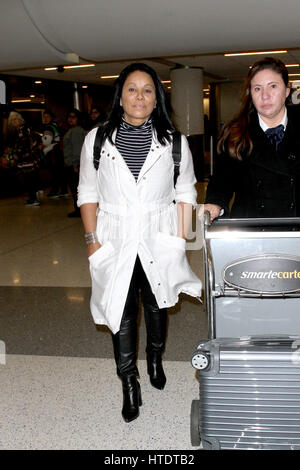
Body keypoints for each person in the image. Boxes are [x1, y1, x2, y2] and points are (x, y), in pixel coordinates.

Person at [77, 62, 202, 422]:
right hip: (113, 236)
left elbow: (185, 192)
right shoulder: (97, 139)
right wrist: (91, 241)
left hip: (158, 233)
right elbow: (87, 191)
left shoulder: (174, 142)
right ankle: (129, 380)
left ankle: (156, 355)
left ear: (156, 98)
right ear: (120, 96)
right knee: (121, 308)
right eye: (132, 89)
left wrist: (179, 240)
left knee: (157, 303)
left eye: (148, 90)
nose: (139, 97)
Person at [203, 57, 300, 220]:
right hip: (252, 231)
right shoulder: (235, 133)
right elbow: (221, 181)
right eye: (257, 89)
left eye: (273, 86)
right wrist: (215, 203)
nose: (265, 96)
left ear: (287, 91)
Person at [7, 111, 42, 206]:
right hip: (27, 159)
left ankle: (33, 199)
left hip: (27, 159)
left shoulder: (23, 130)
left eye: (16, 119)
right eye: (12, 120)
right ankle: (33, 198)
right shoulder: (22, 130)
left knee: (29, 179)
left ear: (20, 119)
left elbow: (24, 144)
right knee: (30, 179)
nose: (15, 121)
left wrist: (16, 153)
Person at [63, 109, 86, 217]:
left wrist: (76, 164)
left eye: (74, 117)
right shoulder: (73, 130)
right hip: (74, 164)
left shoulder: (76, 131)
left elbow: (77, 149)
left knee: (76, 188)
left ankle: (79, 210)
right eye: (69, 117)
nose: (70, 119)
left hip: (75, 165)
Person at [42, 110, 68, 198]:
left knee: (55, 172)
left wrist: (40, 146)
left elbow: (47, 141)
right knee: (59, 171)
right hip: (58, 151)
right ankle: (63, 190)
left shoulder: (49, 127)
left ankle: (55, 190)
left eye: (47, 117)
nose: (45, 119)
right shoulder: (56, 126)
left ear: (51, 118)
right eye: (44, 117)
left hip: (52, 152)